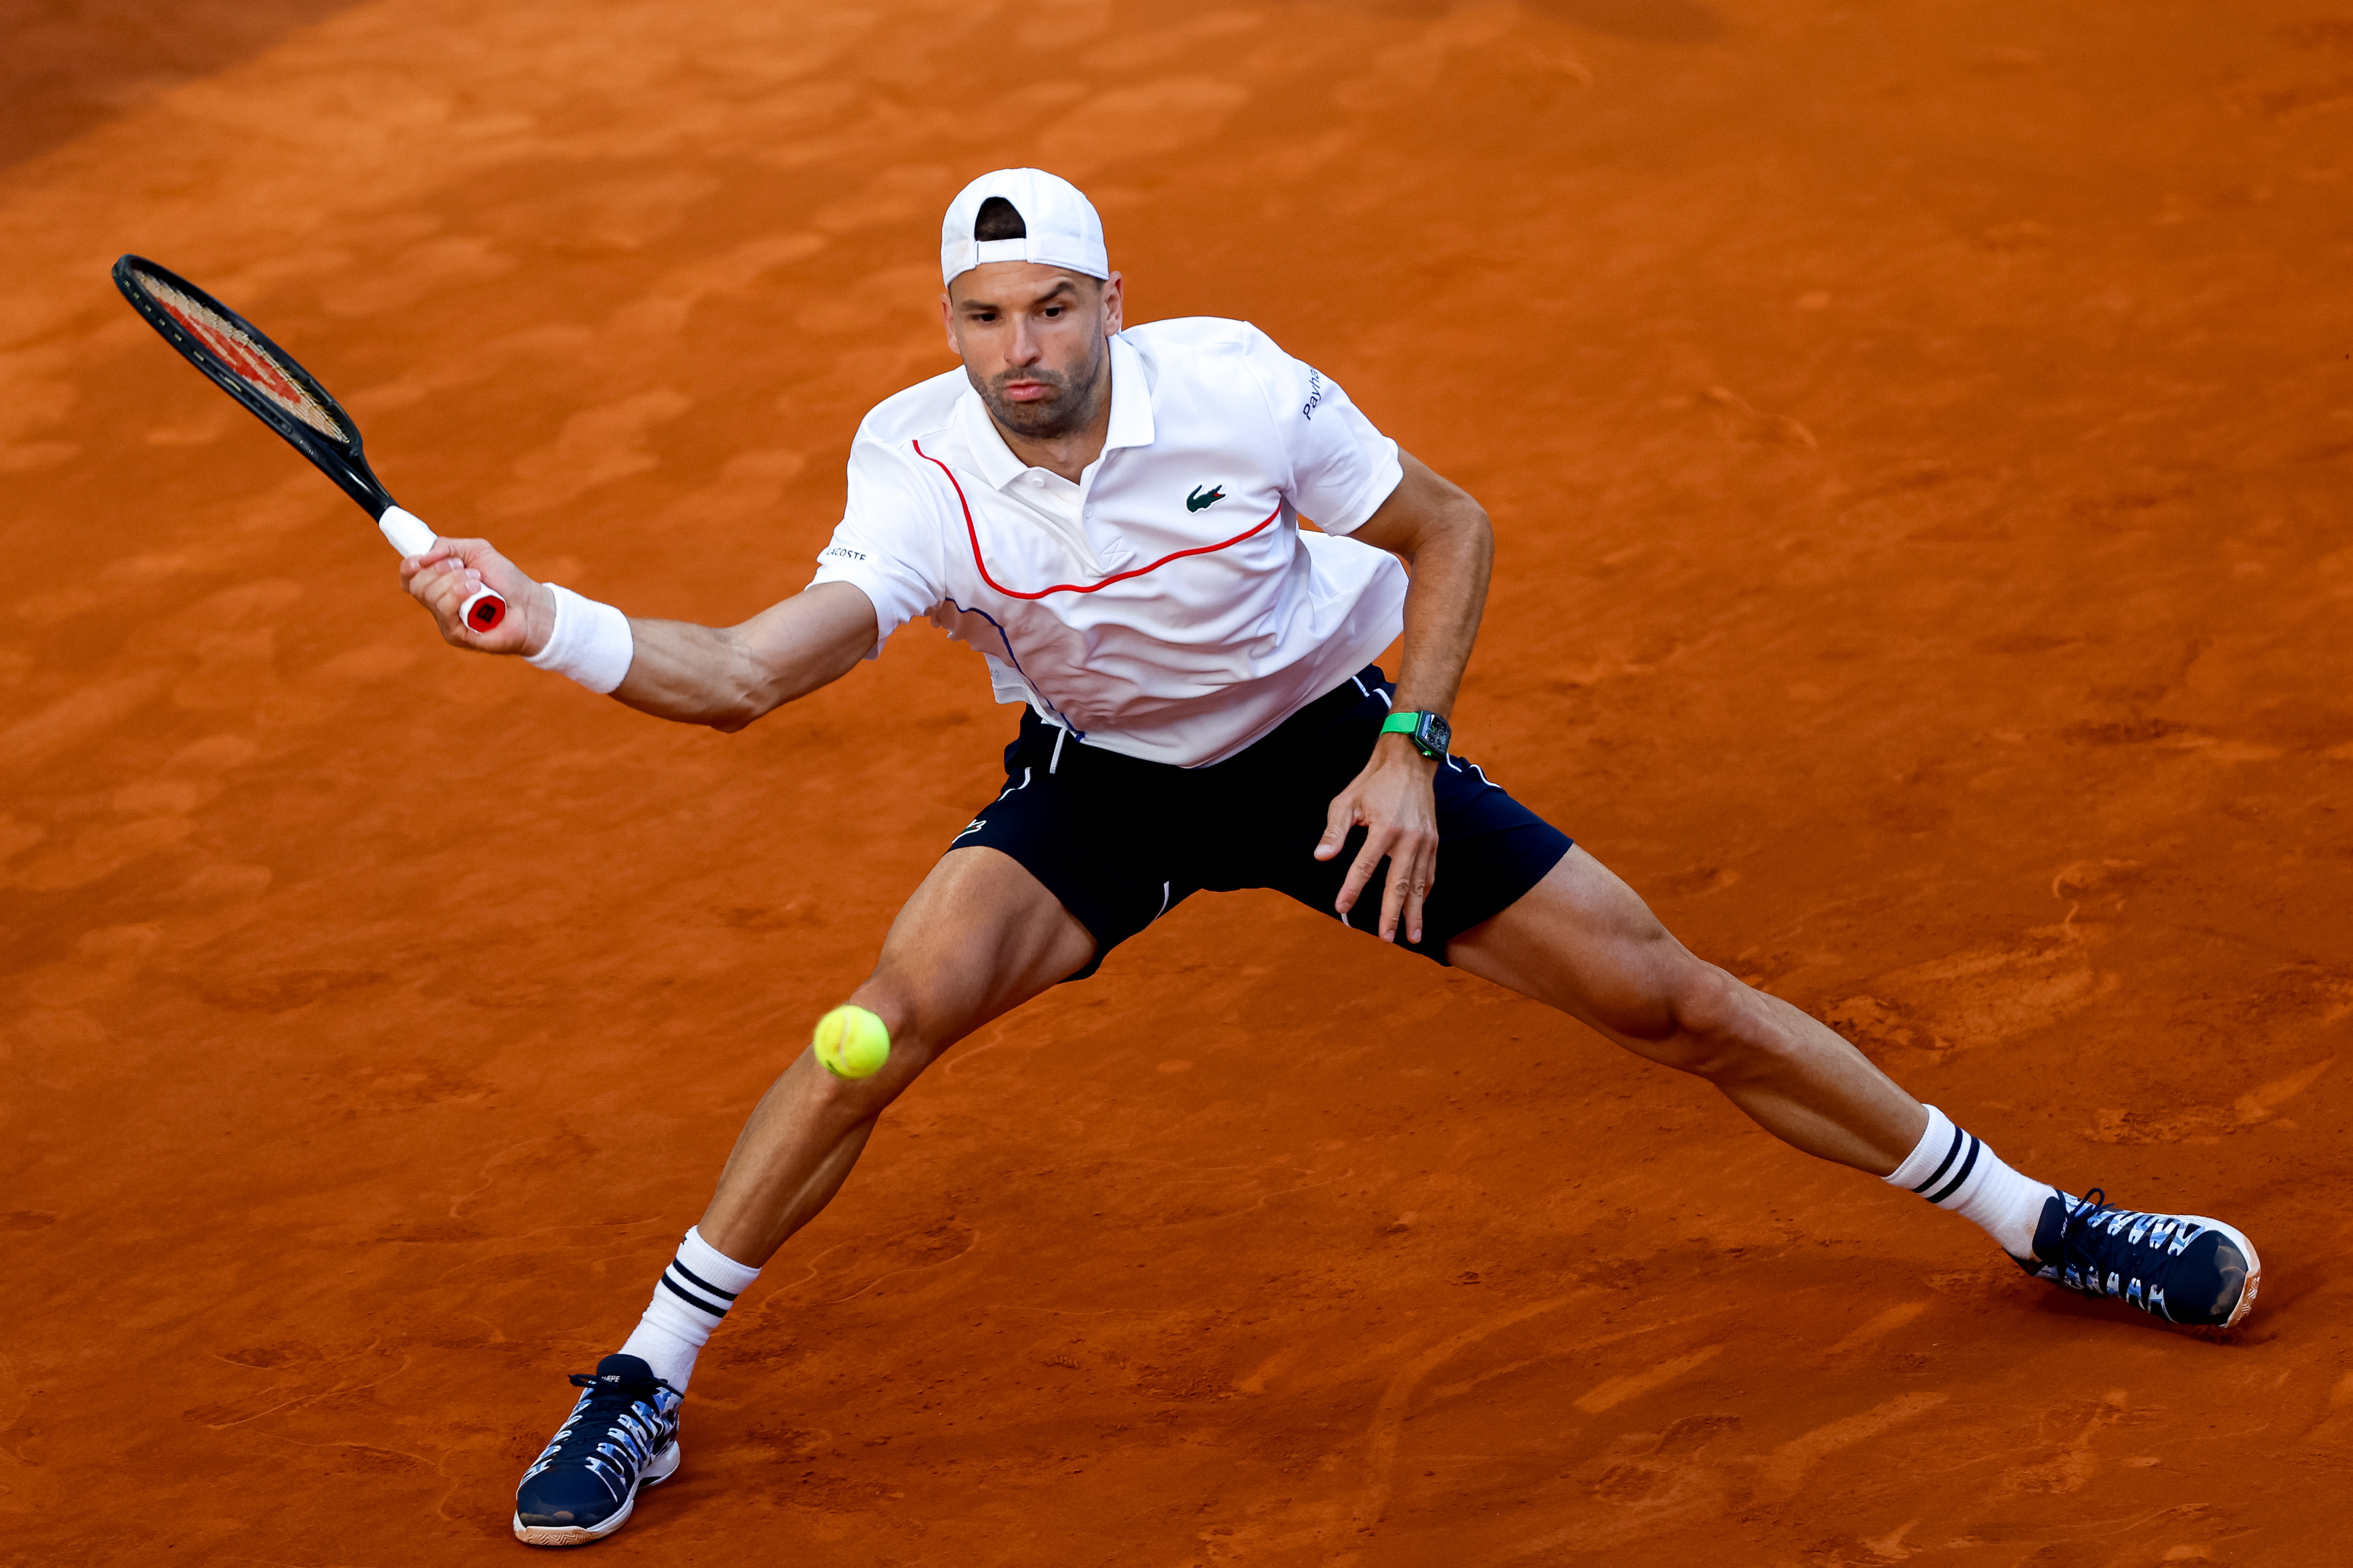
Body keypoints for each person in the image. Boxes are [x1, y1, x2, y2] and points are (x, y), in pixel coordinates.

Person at [399, 168, 2261, 1549]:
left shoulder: (1240, 390)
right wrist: (541, 621)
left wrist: (1404, 748)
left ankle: (2043, 1224)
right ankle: (646, 1375)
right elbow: (743, 675)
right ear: (946, 331)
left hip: (1325, 749)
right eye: (983, 319)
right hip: (1105, 784)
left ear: (1111, 304)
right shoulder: (918, 469)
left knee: (1673, 1003)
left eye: (1051, 309)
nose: (1019, 352)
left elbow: (1448, 529)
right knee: (870, 1026)